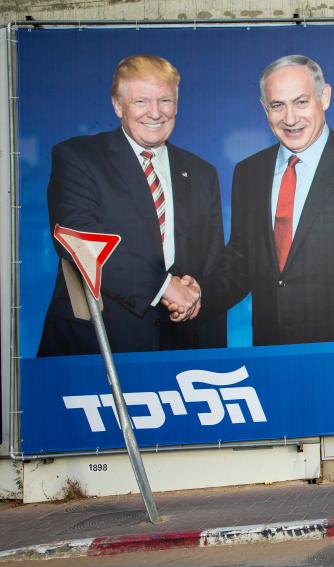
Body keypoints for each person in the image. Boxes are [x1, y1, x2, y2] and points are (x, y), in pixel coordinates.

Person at [202, 54, 334, 346]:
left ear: (324, 96)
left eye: (301, 102)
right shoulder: (248, 173)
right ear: (264, 107)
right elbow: (243, 259)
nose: (290, 118)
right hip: (272, 354)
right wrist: (197, 296)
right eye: (278, 106)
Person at [37, 54, 226, 356]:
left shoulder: (202, 173)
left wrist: (196, 292)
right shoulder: (78, 158)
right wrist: (166, 287)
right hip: (100, 347)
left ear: (176, 105)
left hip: (182, 347)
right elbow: (81, 242)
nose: (155, 113)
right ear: (117, 106)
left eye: (165, 100)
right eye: (141, 102)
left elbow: (213, 260)